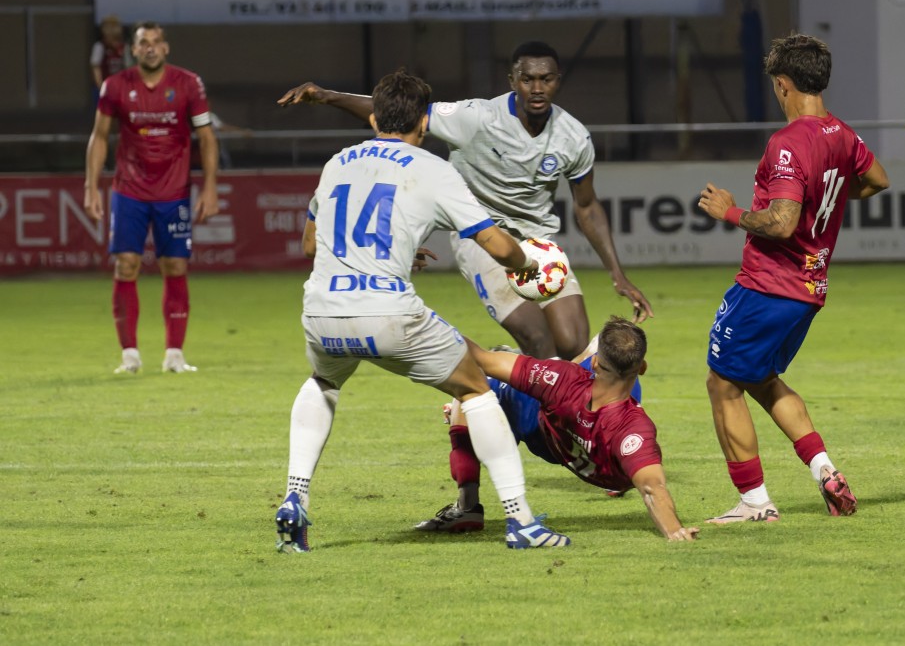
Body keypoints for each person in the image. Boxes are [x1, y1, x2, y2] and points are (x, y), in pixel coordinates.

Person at [275, 68, 571, 553]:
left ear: (374, 118)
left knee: (324, 382)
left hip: (323, 311)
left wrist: (392, 247)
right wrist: (527, 264)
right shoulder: (432, 168)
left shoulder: (337, 163)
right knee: (475, 387)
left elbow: (311, 244)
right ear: (423, 123)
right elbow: (495, 244)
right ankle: (521, 522)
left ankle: (295, 497)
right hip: (389, 313)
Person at [276, 41, 653, 362]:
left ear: (558, 81)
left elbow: (587, 207)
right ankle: (549, 424)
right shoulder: (476, 117)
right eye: (528, 79)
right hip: (481, 239)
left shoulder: (573, 137)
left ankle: (511, 369)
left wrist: (617, 274)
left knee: (572, 345)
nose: (537, 88)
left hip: (539, 245)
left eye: (546, 79)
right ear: (513, 81)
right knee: (539, 340)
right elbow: (401, 113)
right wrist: (327, 96)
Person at [697, 33, 889, 523]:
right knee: (760, 378)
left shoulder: (788, 142)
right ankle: (825, 470)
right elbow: (878, 180)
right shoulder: (843, 134)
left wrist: (731, 211)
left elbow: (781, 222)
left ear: (783, 85)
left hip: (768, 284)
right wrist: (835, 200)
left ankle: (754, 501)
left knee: (722, 383)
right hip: (808, 289)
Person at [414, 316, 699, 542]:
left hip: (543, 431)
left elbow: (479, 357)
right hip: (593, 450)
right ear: (644, 368)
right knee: (608, 357)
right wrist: (675, 530)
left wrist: (420, 320)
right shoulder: (634, 427)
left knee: (472, 385)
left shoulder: (562, 381)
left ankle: (467, 507)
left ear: (596, 364)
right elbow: (652, 488)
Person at [83, 21, 219, 374]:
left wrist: (210, 187)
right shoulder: (114, 86)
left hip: (173, 193)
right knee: (125, 264)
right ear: (134, 49)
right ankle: (129, 355)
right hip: (129, 191)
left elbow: (206, 137)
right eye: (144, 42)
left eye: (157, 42)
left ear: (166, 48)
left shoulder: (189, 83)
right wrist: (90, 187)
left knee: (174, 266)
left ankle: (174, 354)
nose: (151, 47)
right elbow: (99, 137)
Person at [89, 15, 130, 92]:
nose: (116, 43)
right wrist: (101, 86)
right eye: (114, 39)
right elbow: (95, 67)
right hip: (103, 86)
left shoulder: (123, 47)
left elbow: (127, 67)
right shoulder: (100, 47)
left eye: (118, 39)